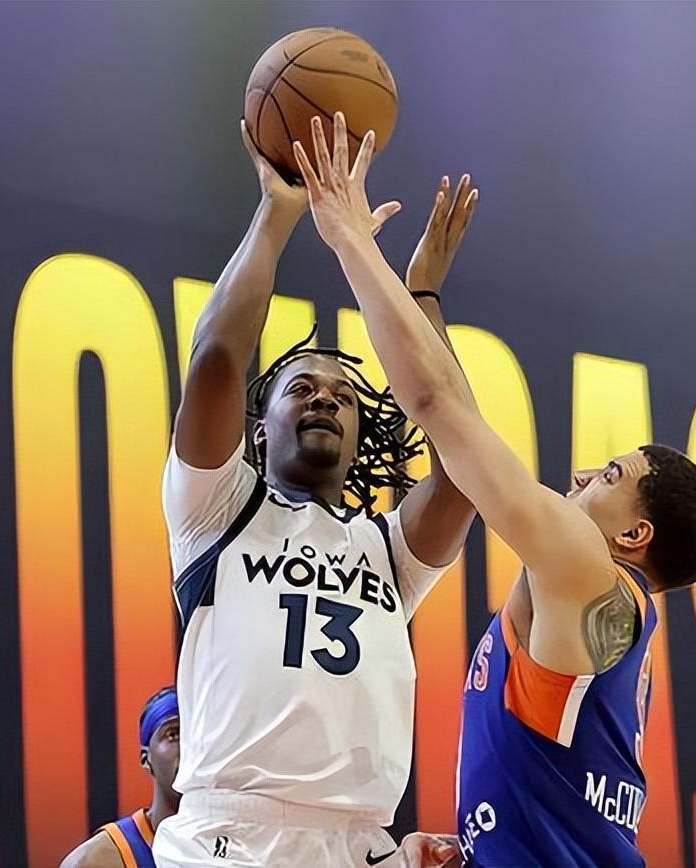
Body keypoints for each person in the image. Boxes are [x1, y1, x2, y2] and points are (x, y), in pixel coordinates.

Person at [293, 113, 696, 867]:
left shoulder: (586, 571)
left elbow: (438, 408)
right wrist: (424, 294)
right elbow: (460, 432)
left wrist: (349, 239)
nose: (584, 474)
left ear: (635, 536)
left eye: (612, 476)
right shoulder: (595, 600)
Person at [152, 121, 477, 867]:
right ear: (258, 430)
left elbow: (465, 464)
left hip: (360, 842)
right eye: (300, 388)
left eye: (343, 396)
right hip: (231, 837)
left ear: (362, 436)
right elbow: (216, 358)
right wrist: (277, 212)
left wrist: (420, 295)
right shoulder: (216, 511)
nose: (325, 398)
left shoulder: (387, 551)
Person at [62, 687, 181, 868]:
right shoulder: (96, 861)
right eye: (174, 734)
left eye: (197, 734)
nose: (190, 746)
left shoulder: (228, 843)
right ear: (146, 759)